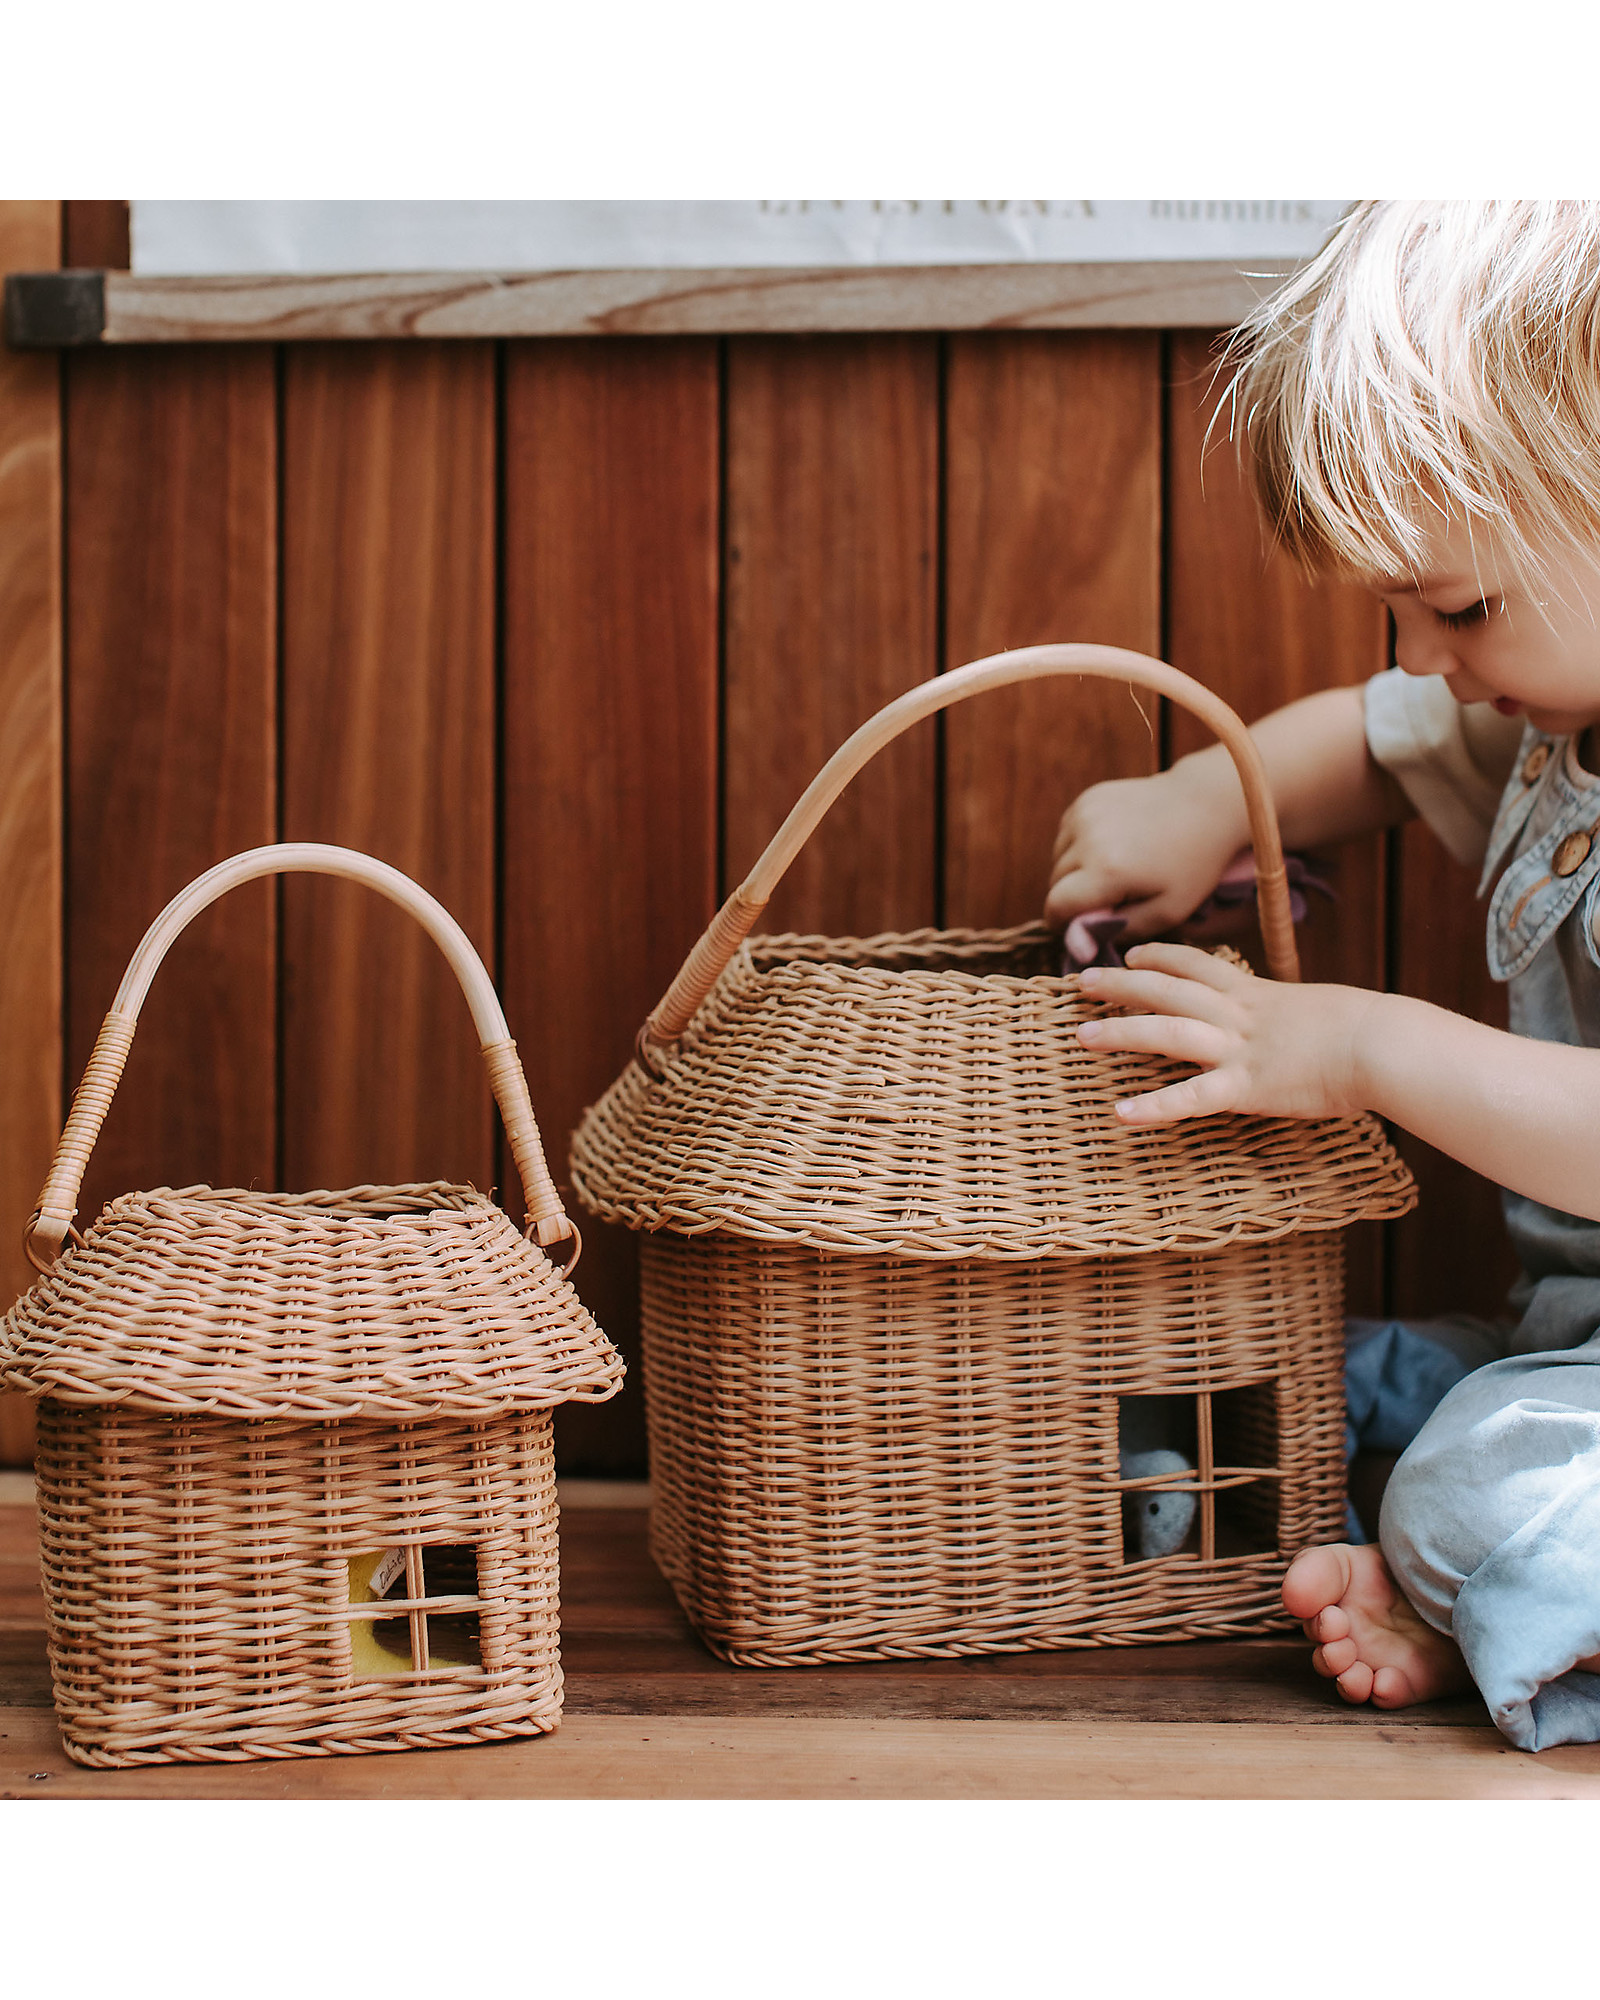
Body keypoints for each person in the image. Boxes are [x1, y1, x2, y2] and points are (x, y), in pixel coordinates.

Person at [1044, 200, 1600, 1753]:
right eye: (1398, 610)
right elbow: (1372, 737)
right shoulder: (1553, 724)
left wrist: (1359, 1047)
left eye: (1461, 605)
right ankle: (1462, 1577)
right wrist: (1209, 801)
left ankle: (1476, 1583)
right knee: (1306, 1379)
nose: (1424, 654)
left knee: (1472, 1486)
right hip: (1569, 1337)